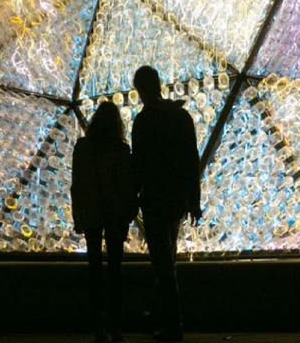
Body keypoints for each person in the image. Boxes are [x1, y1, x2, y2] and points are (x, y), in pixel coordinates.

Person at [131, 66, 202, 342]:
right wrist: (193, 200)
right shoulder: (181, 117)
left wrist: (130, 200)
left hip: (154, 199)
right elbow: (191, 160)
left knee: (163, 262)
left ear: (139, 90)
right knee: (166, 257)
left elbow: (139, 166)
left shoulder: (144, 121)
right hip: (176, 199)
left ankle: (173, 323)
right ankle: (160, 314)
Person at [71, 102, 138, 343]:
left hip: (91, 213)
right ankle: (116, 326)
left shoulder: (83, 147)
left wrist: (77, 214)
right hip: (115, 215)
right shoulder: (121, 149)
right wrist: (130, 211)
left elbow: (76, 183)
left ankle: (98, 325)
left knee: (95, 269)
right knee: (115, 270)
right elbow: (128, 184)